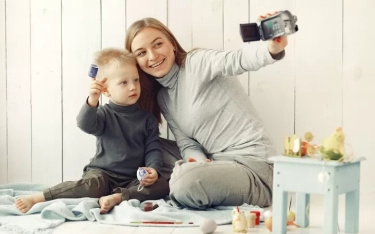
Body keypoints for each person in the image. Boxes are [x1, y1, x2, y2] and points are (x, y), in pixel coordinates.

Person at [125, 14, 288, 210]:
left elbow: (237, 60)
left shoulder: (196, 63)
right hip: (215, 163)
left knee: (184, 184)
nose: (152, 56)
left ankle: (181, 181)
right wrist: (198, 162)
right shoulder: (164, 98)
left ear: (172, 44)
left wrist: (272, 50)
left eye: (157, 44)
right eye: (141, 53)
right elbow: (187, 143)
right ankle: (183, 179)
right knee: (142, 145)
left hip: (255, 169)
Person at [15, 48, 169, 214]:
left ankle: (117, 197)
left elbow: (153, 148)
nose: (133, 87)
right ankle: (39, 197)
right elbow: (84, 124)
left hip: (132, 178)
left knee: (162, 185)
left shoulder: (147, 119)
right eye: (124, 82)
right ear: (106, 90)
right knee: (90, 185)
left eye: (136, 80)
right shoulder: (103, 114)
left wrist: (153, 169)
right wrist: (92, 100)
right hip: (102, 174)